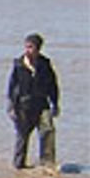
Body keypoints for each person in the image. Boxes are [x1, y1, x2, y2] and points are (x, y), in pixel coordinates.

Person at [7, 33, 60, 170]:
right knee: (22, 136)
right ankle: (19, 166)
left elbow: (52, 84)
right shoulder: (18, 64)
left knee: (48, 130)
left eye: (31, 47)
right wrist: (11, 107)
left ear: (38, 49)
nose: (27, 50)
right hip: (23, 106)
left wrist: (55, 103)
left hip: (42, 104)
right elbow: (12, 87)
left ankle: (47, 164)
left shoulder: (44, 64)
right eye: (26, 47)